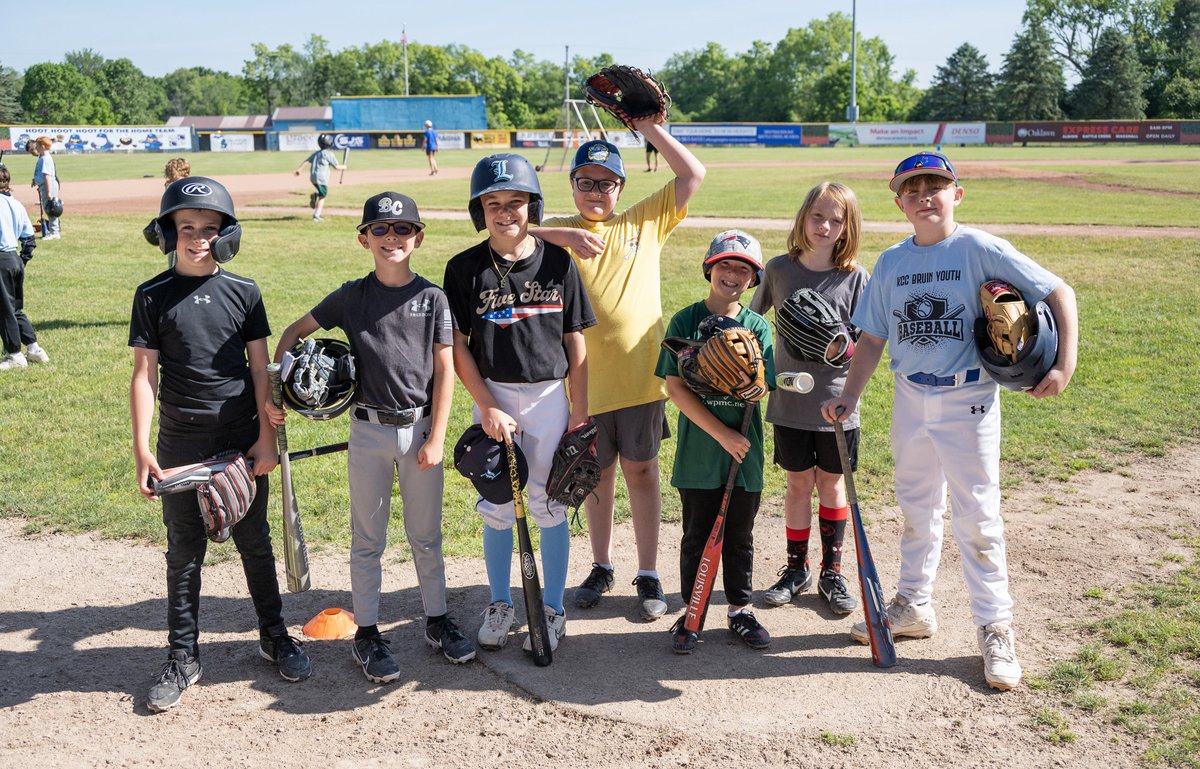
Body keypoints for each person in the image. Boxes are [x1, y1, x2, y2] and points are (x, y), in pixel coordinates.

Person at [821, 151, 1078, 690]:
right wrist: (849, 395)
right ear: (899, 203)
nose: (923, 197)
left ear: (955, 193)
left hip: (971, 399)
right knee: (916, 507)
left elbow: (1059, 291)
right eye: (911, 190)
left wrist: (1064, 362)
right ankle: (913, 606)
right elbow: (872, 339)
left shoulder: (977, 247)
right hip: (911, 397)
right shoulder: (892, 262)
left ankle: (995, 627)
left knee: (978, 519)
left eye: (934, 186)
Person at [266, 191, 474, 683]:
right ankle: (367, 633)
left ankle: (437, 620)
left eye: (402, 229)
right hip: (367, 432)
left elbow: (445, 370)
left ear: (417, 238)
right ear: (364, 239)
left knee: (426, 536)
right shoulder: (351, 296)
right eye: (380, 230)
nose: (391, 238)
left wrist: (437, 436)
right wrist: (282, 390)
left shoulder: (432, 298)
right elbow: (291, 335)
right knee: (368, 540)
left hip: (420, 429)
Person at [130, 176, 311, 713]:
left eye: (210, 229)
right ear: (168, 234)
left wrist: (265, 437)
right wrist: (143, 449)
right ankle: (183, 655)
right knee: (184, 553)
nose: (197, 237)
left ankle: (274, 635)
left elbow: (261, 369)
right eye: (186, 228)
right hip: (181, 442)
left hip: (238, 439)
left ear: (226, 235)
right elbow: (145, 375)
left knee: (255, 541)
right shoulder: (152, 295)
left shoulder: (243, 291)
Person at [537, 119, 705, 622]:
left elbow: (692, 173)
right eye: (585, 182)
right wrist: (563, 232)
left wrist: (650, 128)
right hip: (587, 385)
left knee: (642, 472)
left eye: (605, 183)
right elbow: (504, 234)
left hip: (640, 380)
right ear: (572, 185)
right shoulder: (559, 237)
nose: (595, 191)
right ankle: (602, 565)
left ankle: (648, 571)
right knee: (596, 477)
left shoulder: (641, 221)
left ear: (620, 187)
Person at [443, 153, 595, 654]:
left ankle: (551, 607)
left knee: (548, 503)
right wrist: (485, 404)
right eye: (493, 203)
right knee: (497, 506)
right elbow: (458, 345)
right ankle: (500, 602)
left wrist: (580, 408)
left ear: (533, 205)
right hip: (496, 394)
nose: (505, 211)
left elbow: (576, 340)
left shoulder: (557, 262)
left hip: (551, 396)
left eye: (516, 202)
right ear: (478, 210)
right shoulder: (463, 268)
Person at [748, 182, 868, 616]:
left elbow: (869, 339)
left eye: (836, 220)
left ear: (847, 227)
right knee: (799, 484)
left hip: (837, 403)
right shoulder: (779, 270)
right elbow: (752, 321)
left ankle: (832, 572)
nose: (825, 226)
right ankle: (795, 569)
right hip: (791, 403)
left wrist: (843, 348)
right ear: (803, 218)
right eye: (818, 216)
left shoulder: (855, 276)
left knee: (831, 485)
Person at [655, 229, 774, 653]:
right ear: (710, 268)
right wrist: (721, 433)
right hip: (701, 452)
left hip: (745, 453)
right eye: (725, 264)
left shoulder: (757, 326)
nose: (733, 274)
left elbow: (765, 388)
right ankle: (693, 611)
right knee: (696, 534)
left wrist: (748, 384)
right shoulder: (685, 321)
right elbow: (674, 386)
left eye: (743, 269)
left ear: (753, 279)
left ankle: (739, 609)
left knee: (740, 536)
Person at [0, 164, 48, 370]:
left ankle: (14, 355)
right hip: (13, 260)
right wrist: (21, 260)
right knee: (16, 308)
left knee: (5, 311)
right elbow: (29, 238)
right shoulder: (16, 204)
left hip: (2, 260)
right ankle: (35, 349)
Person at [294, 134, 345, 222]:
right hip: (322, 178)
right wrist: (344, 167)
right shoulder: (329, 154)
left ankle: (316, 195)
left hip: (313, 177)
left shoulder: (316, 153)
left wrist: (299, 169)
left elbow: (306, 161)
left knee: (321, 193)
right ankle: (316, 215)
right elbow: (336, 167)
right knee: (323, 196)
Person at [28, 137, 61, 240]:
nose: (36, 147)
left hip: (49, 185)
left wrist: (49, 191)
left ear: (42, 146)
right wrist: (36, 180)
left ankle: (54, 232)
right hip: (46, 185)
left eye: (37, 146)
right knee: (49, 208)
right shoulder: (43, 157)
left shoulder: (45, 159)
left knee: (51, 208)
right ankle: (53, 230)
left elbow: (47, 176)